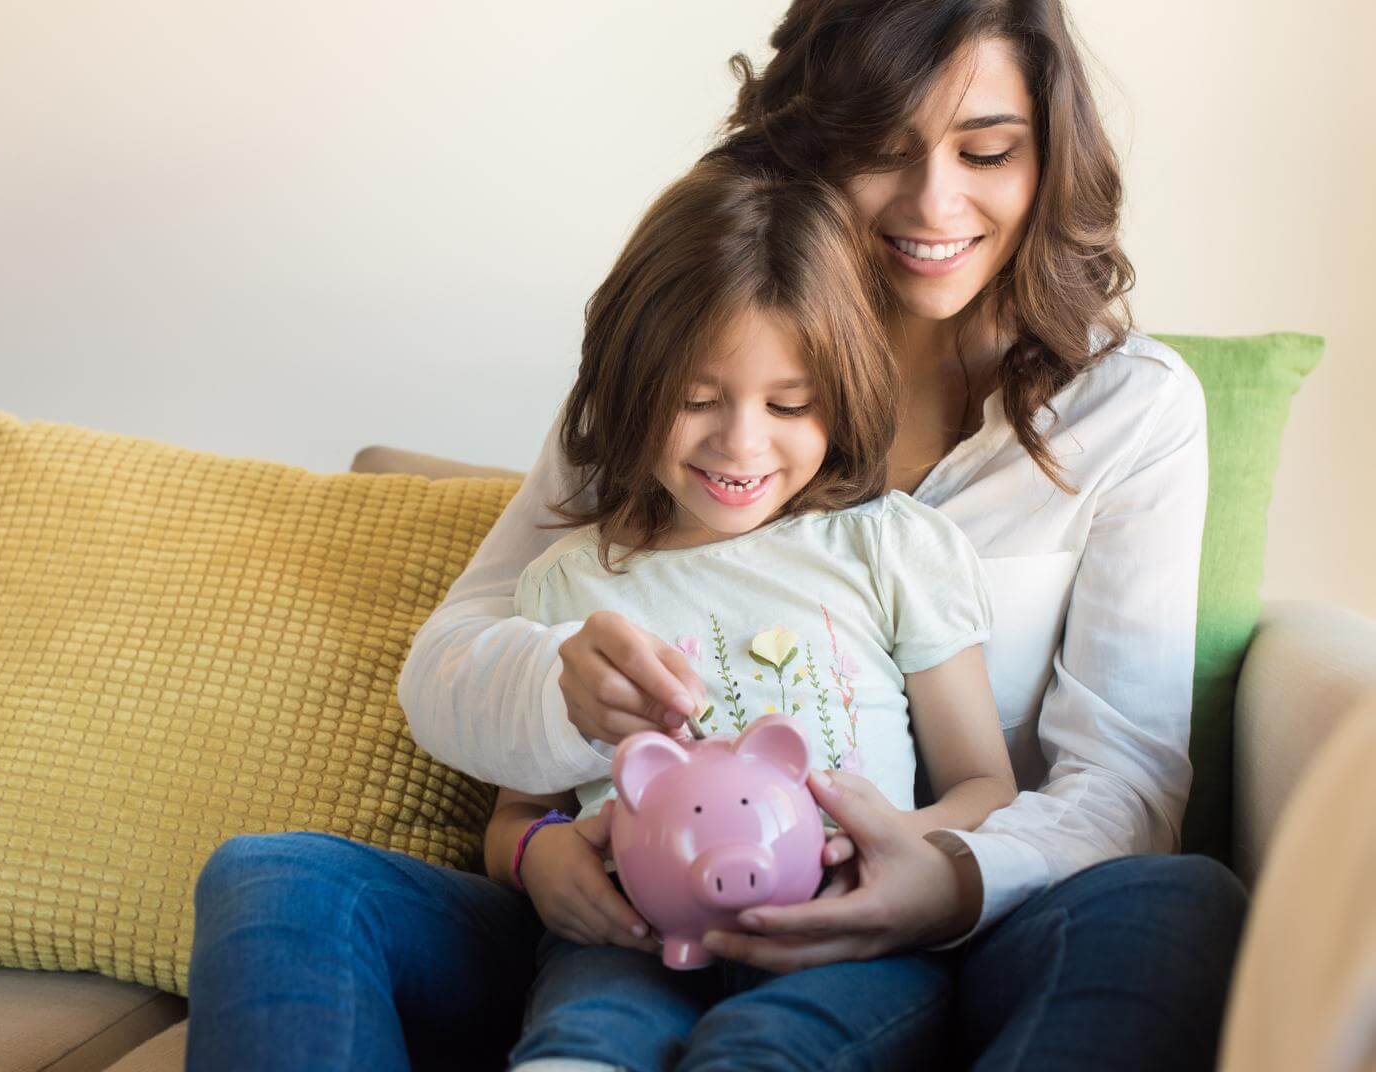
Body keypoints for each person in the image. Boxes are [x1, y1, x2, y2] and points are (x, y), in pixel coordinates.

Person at [188, 2, 1248, 1069]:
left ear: (1049, 157)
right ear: (807, 142)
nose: (936, 199)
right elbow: (452, 668)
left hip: (959, 935)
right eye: (884, 148)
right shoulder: (665, 387)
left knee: (1175, 902)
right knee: (277, 880)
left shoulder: (1131, 412)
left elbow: (1123, 783)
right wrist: (554, 759)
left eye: (987, 150)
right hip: (629, 932)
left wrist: (952, 878)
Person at [487, 157, 1017, 1070]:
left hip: (843, 936)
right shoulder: (566, 585)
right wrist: (539, 858)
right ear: (627, 387)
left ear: (841, 397)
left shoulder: (887, 549)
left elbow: (986, 788)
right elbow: (515, 813)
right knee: (580, 1043)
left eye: (789, 404)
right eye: (695, 400)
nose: (740, 441)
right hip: (631, 940)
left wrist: (890, 845)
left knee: (768, 1048)